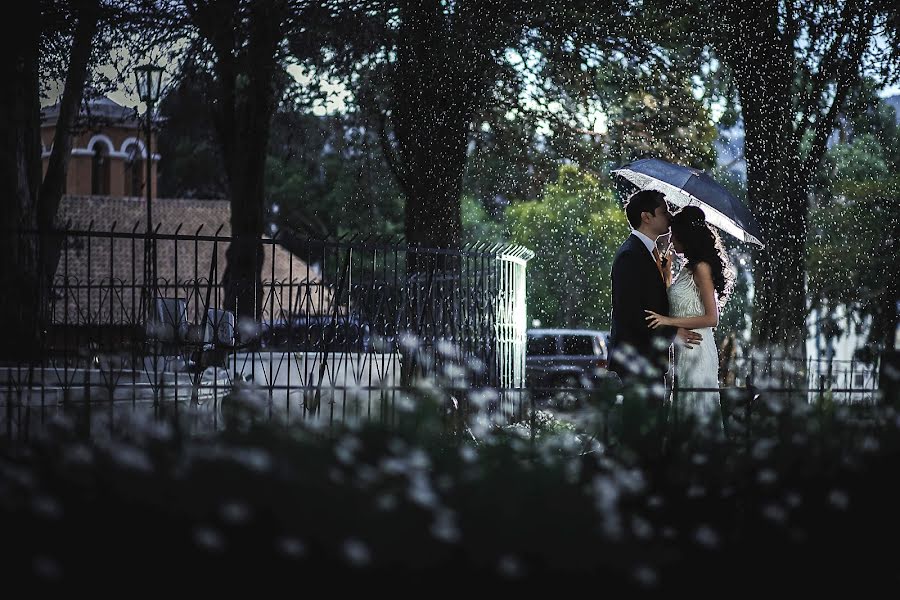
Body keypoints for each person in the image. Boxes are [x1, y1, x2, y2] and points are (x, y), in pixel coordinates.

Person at [608, 190, 702, 432]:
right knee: (641, 433)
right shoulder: (630, 255)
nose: (670, 217)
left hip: (648, 359)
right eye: (663, 212)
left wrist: (665, 275)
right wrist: (672, 333)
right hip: (637, 360)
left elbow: (653, 302)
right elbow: (631, 313)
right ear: (646, 217)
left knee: (651, 430)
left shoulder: (647, 252)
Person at [644, 205, 735, 434]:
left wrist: (668, 322)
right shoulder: (687, 269)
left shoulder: (703, 268)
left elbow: (712, 318)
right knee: (683, 410)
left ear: (686, 236)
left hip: (698, 347)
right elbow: (678, 305)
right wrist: (667, 276)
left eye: (675, 235)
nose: (672, 241)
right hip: (683, 350)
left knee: (697, 411)